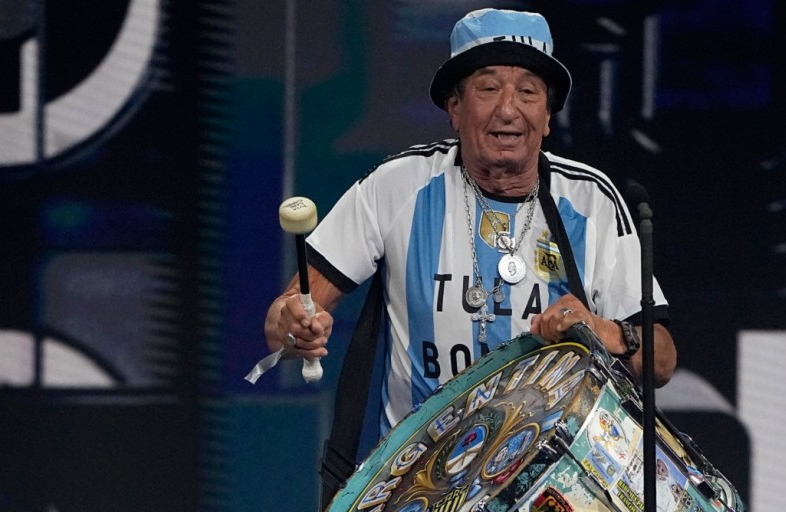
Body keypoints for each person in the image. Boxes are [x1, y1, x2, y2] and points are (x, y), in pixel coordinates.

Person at [264, 8, 677, 438]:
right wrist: (293, 328)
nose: (508, 109)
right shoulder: (396, 186)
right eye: (489, 88)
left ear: (548, 117)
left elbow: (662, 361)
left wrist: (603, 331)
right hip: (417, 470)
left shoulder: (592, 200)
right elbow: (286, 319)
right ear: (455, 107)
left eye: (528, 92)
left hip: (554, 466)